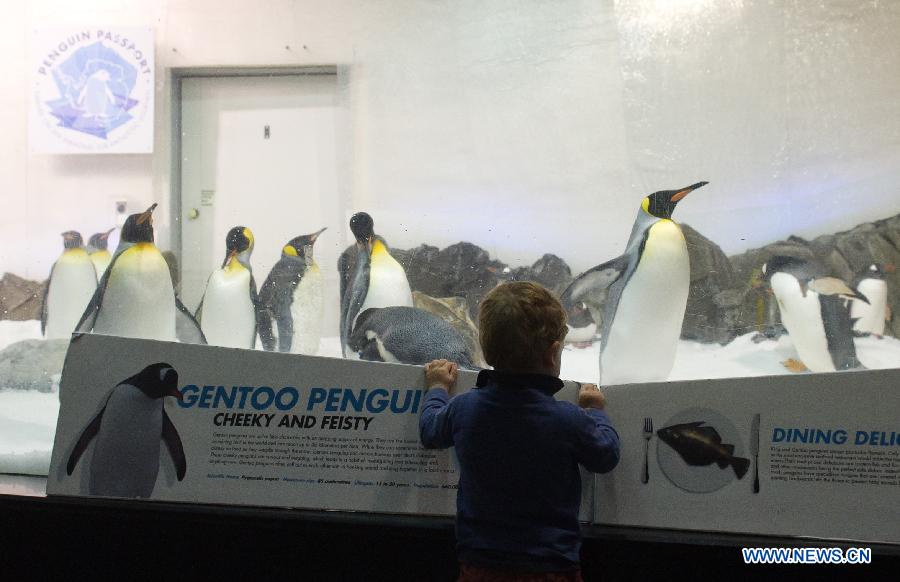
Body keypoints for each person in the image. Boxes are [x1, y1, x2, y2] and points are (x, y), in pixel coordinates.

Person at [420, 281, 620, 581]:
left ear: (486, 349)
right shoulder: (567, 419)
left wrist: (437, 387)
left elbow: (430, 431)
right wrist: (594, 411)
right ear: (553, 353)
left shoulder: (465, 408)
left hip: (481, 568)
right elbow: (606, 455)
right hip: (551, 569)